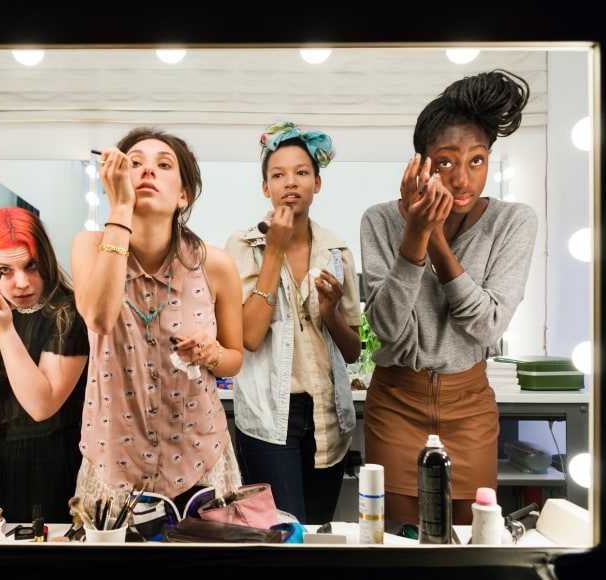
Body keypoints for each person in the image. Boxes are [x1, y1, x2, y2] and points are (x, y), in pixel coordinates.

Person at [359, 69, 537, 526]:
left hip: (470, 406)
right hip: (396, 401)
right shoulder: (379, 220)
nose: (462, 179)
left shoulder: (511, 222)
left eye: (476, 161)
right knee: (396, 540)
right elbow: (385, 327)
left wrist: (432, 237)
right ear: (420, 164)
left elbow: (487, 326)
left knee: (468, 543)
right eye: (445, 162)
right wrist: (413, 235)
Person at [69, 127, 245, 520]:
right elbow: (98, 317)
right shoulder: (89, 246)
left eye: (163, 165)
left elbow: (235, 358)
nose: (148, 170)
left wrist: (212, 352)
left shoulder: (215, 265)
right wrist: (119, 210)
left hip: (200, 460)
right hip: (114, 464)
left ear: (183, 195)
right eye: (135, 163)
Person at [224, 121, 362, 525]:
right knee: (283, 537)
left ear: (317, 183)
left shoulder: (337, 250)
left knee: (317, 533)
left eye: (302, 172)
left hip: (327, 417)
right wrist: (275, 251)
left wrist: (331, 311)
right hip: (269, 417)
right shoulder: (243, 245)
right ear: (264, 187)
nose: (291, 182)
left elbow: (352, 350)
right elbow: (249, 336)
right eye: (278, 174)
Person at [0, 206, 89, 524]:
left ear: (45, 258)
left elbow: (41, 405)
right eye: (5, 270)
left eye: (31, 266)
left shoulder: (68, 314)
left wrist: (3, 330)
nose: (22, 283)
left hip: (46, 462)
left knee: (38, 567)